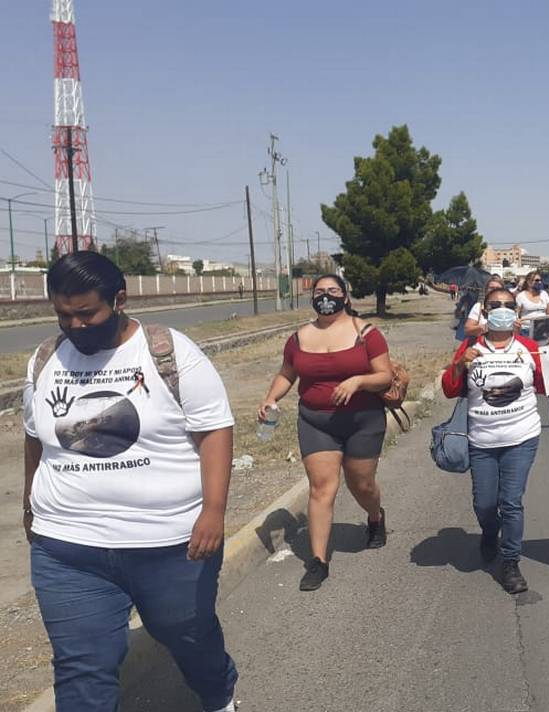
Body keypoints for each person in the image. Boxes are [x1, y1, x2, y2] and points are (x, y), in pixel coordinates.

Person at [23, 252, 237, 712]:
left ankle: (219, 695)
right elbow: (34, 439)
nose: (75, 326)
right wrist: (29, 507)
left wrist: (213, 510)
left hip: (170, 544)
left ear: (118, 300)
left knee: (188, 634)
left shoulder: (170, 352)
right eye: (63, 315)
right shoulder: (45, 359)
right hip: (68, 548)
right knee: (82, 666)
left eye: (86, 314)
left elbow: (214, 429)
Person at [259, 274, 394, 591]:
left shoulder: (367, 334)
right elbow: (286, 374)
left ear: (345, 296)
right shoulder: (298, 338)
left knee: (361, 484)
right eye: (319, 292)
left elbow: (385, 377)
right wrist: (270, 398)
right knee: (321, 488)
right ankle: (319, 562)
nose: (326, 297)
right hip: (316, 421)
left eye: (333, 291)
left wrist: (358, 381)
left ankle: (375, 516)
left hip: (362, 420)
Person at [441, 287, 546, 595]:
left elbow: (548, 384)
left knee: (511, 502)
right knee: (485, 504)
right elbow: (449, 389)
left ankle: (510, 562)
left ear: (517, 312)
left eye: (509, 305)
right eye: (495, 305)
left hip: (522, 438)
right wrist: (460, 365)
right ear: (484, 311)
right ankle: (489, 532)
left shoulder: (528, 347)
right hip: (482, 441)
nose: (502, 309)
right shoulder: (470, 346)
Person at [516, 270, 549, 337]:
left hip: (542, 329)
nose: (539, 282)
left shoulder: (544, 294)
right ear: (528, 282)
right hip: (526, 330)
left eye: (540, 280)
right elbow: (516, 314)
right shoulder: (521, 296)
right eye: (537, 280)